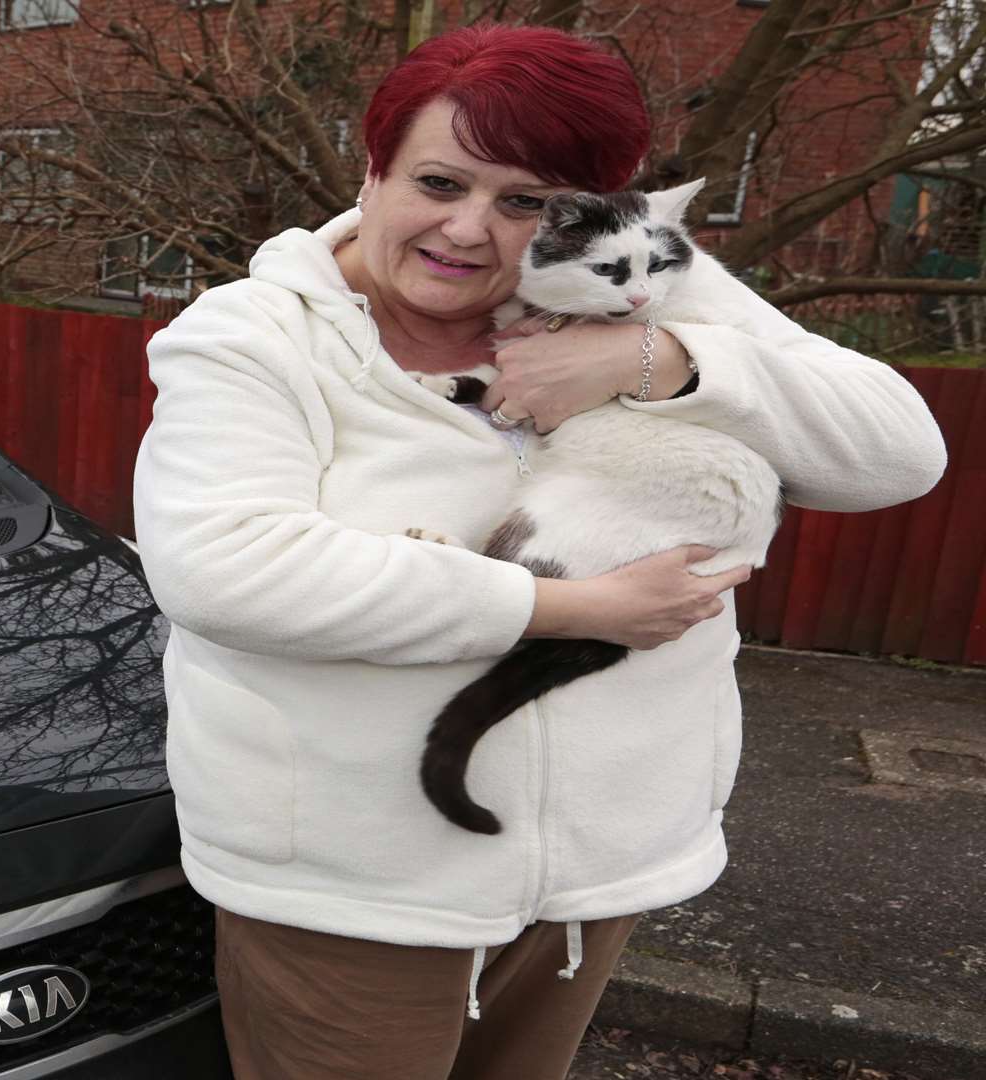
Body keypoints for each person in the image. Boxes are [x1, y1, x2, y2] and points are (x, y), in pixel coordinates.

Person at [131, 24, 947, 1080]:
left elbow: (899, 453)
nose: (468, 230)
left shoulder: (638, 287)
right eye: (438, 180)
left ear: (582, 216)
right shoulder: (254, 339)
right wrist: (571, 609)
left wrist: (658, 359)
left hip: (594, 874)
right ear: (373, 169)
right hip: (357, 893)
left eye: (522, 202)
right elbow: (227, 570)